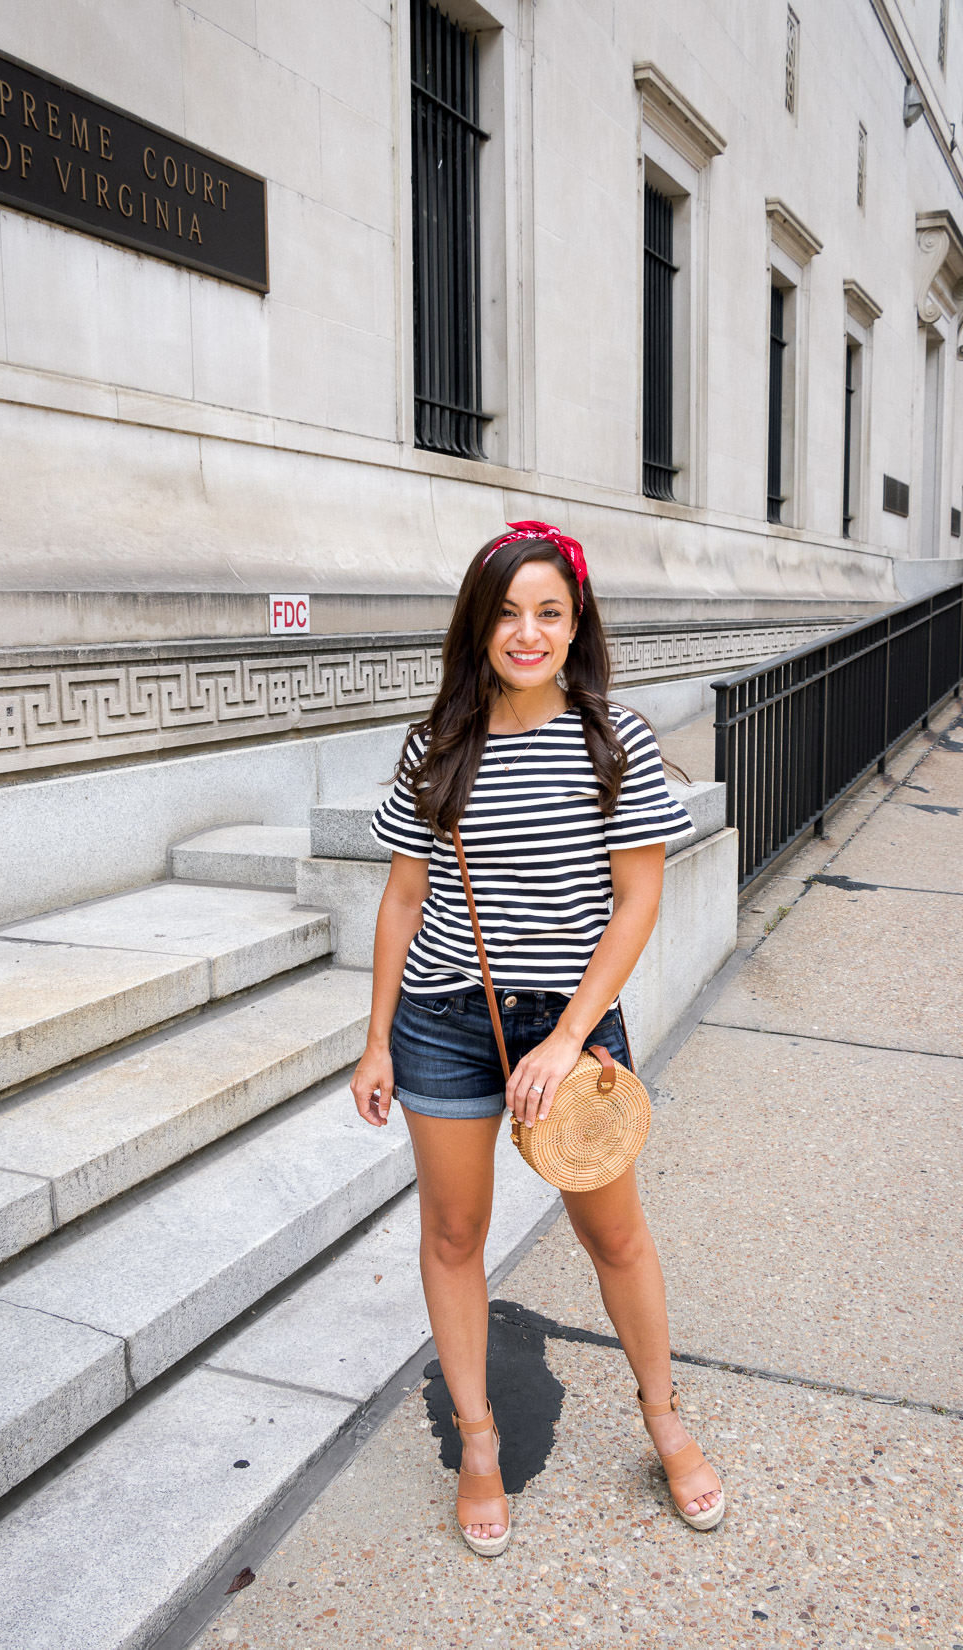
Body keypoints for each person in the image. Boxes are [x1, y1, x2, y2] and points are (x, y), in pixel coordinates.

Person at [350, 522, 724, 1555]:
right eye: (506, 611)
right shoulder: (437, 744)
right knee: (453, 1236)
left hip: (570, 1027)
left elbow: (636, 899)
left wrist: (566, 1038)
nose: (527, 632)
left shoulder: (615, 739)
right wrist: (375, 1038)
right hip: (441, 1023)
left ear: (575, 623)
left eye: (547, 612)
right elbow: (401, 899)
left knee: (612, 1235)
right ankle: (476, 1440)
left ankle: (662, 1416)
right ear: (478, 625)